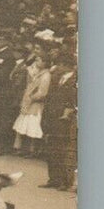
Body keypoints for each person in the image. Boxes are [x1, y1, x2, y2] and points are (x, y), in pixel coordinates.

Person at [41, 49, 77, 190]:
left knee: (62, 151)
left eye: (60, 65)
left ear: (67, 65)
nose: (58, 68)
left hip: (64, 120)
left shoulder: (75, 80)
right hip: (52, 117)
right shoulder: (57, 78)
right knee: (51, 149)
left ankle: (64, 181)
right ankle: (53, 179)